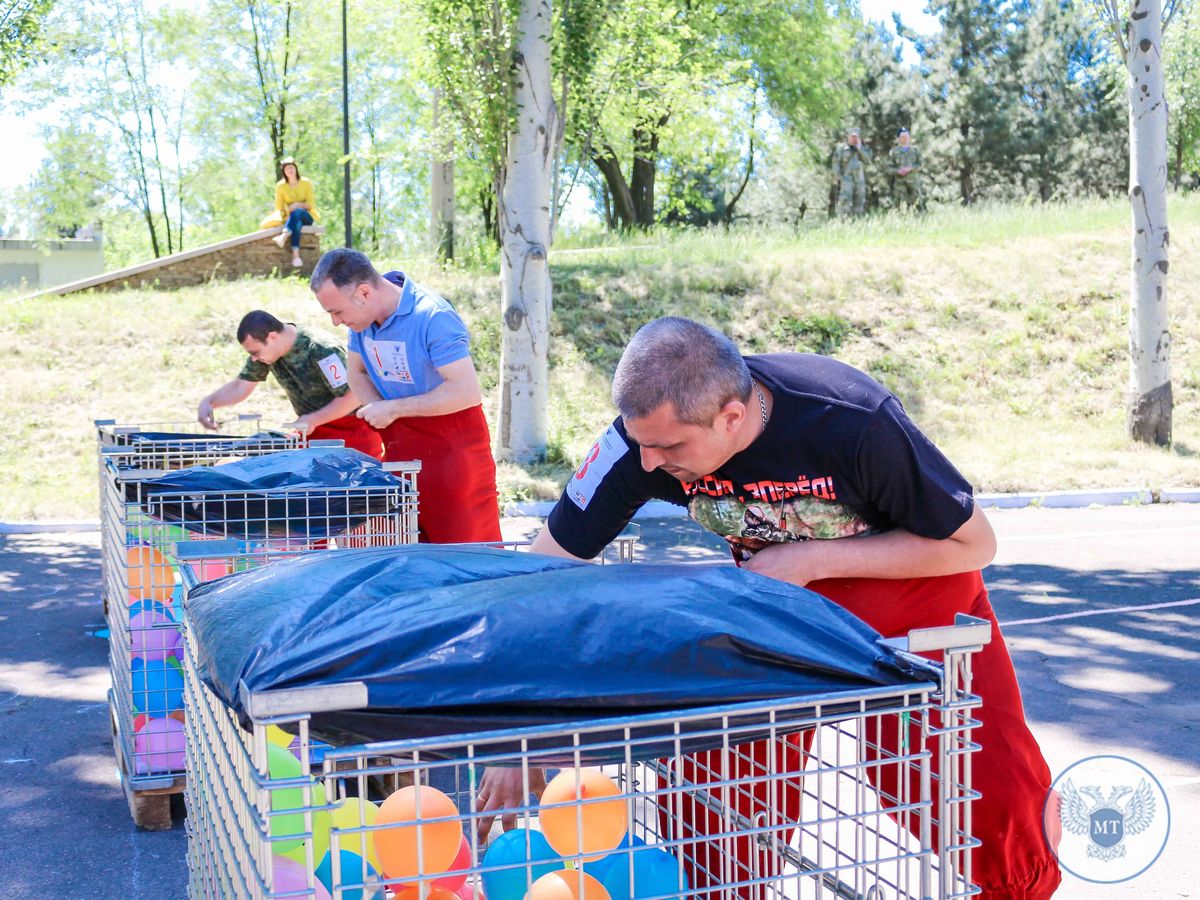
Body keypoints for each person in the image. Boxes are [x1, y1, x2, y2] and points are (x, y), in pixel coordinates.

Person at [478, 318, 1062, 899]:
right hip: (781, 613)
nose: (649, 464)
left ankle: (1020, 887)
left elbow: (974, 544)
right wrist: (520, 728)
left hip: (916, 605)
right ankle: (722, 892)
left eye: (669, 447)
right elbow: (540, 575)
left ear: (731, 417)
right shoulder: (640, 444)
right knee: (712, 772)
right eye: (640, 444)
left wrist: (812, 559)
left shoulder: (852, 420)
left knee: (949, 782)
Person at [309, 248, 502, 544]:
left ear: (363, 292)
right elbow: (356, 374)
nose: (335, 322)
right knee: (408, 555)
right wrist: (380, 408)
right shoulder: (360, 322)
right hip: (400, 450)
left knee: (467, 556)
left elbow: (465, 391)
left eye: (337, 312)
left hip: (454, 456)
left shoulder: (433, 316)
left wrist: (394, 408)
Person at [197, 311, 383, 458]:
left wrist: (313, 419)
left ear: (272, 337)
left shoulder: (320, 347)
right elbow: (240, 387)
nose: (254, 358)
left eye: (255, 352)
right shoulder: (266, 354)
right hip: (313, 432)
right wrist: (209, 402)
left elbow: (353, 396)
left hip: (354, 432)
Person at [272, 156, 318, 268]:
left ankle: (284, 235)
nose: (290, 170)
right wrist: (289, 210)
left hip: (307, 216)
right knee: (296, 223)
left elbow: (310, 205)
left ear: (296, 169)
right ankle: (296, 257)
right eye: (287, 169)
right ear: (284, 172)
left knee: (297, 212)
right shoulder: (281, 186)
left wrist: (297, 205)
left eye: (292, 167)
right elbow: (279, 206)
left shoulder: (306, 183)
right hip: (291, 218)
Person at [832, 127, 871, 217]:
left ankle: (857, 222)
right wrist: (838, 177)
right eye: (852, 136)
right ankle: (843, 221)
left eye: (856, 137)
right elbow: (836, 163)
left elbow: (867, 161)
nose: (854, 138)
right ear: (848, 136)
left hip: (859, 180)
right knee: (845, 201)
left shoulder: (862, 148)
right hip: (846, 179)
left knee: (859, 200)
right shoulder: (841, 148)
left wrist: (859, 148)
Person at [888, 127, 925, 211]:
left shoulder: (915, 150)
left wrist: (910, 168)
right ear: (899, 138)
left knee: (917, 202)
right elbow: (889, 167)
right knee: (898, 204)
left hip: (913, 181)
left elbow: (921, 164)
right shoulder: (894, 151)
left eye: (906, 137)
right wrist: (898, 171)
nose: (904, 139)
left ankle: (919, 219)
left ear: (909, 138)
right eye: (902, 137)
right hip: (899, 182)